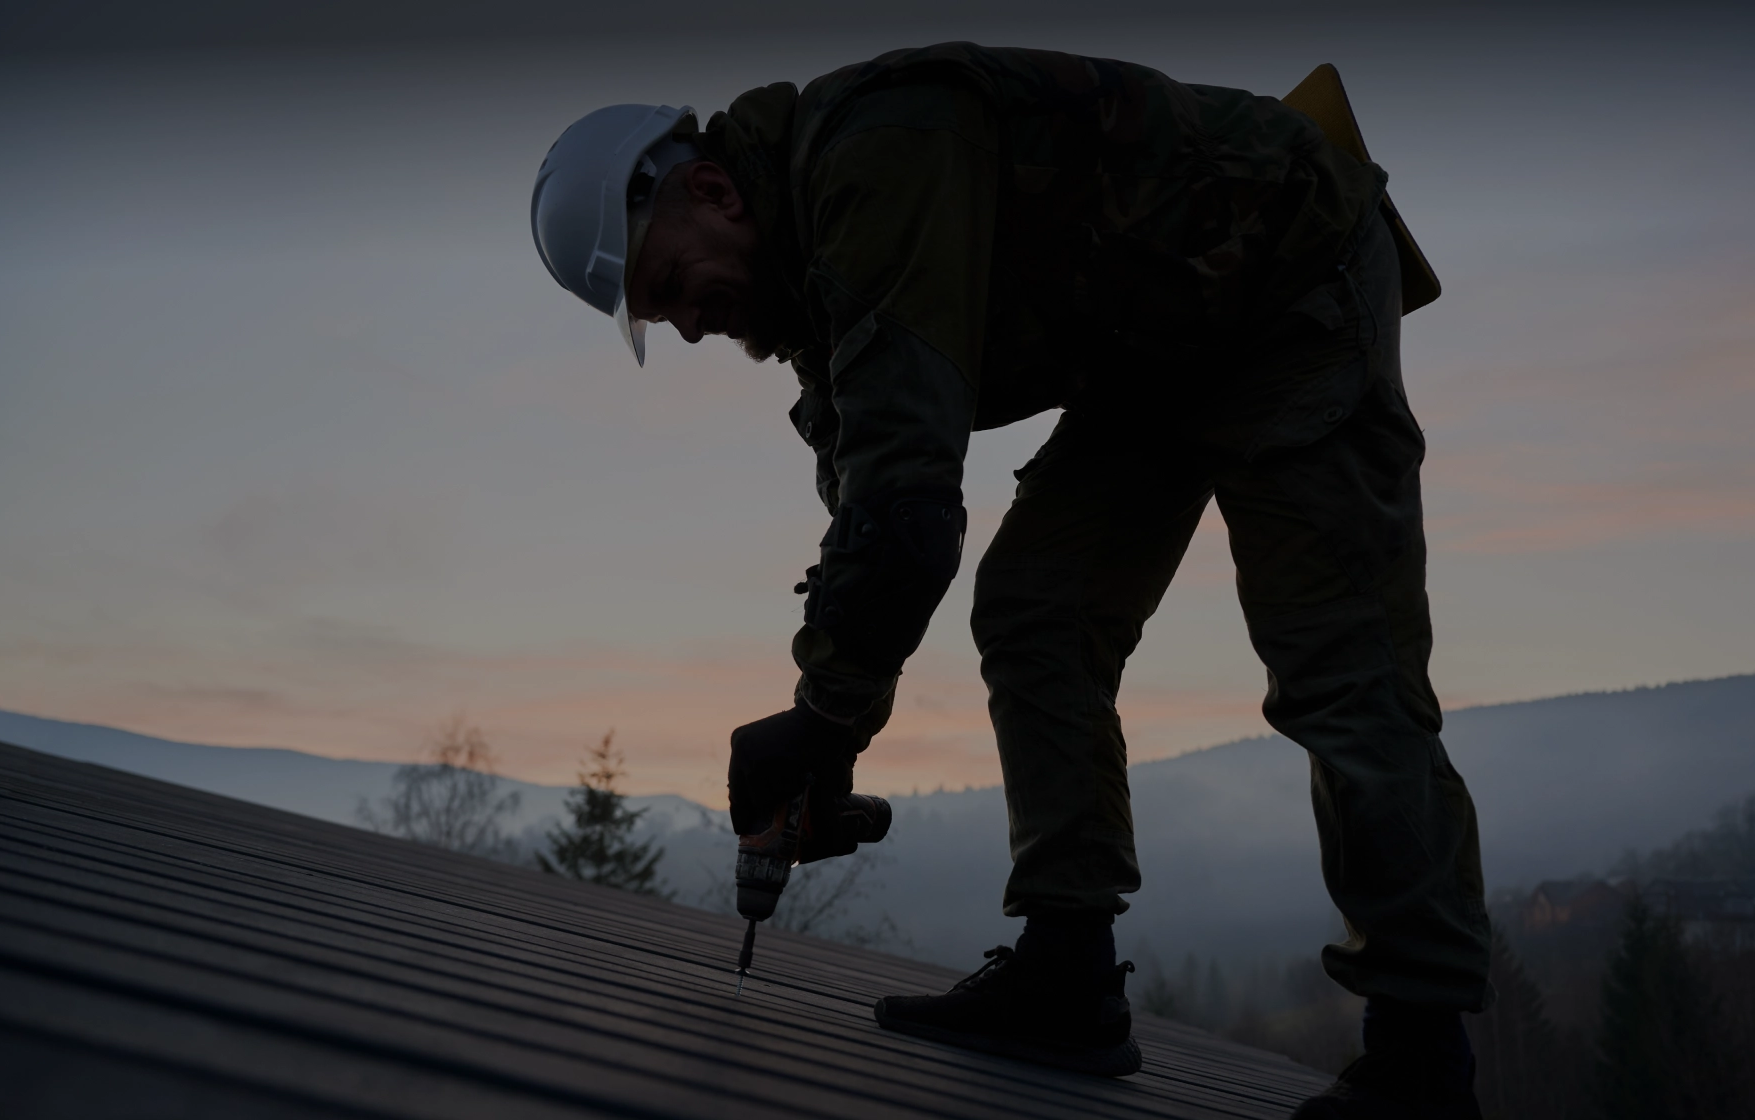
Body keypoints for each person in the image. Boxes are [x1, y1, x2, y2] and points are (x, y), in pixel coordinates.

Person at [530, 43, 1491, 1117]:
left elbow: (906, 508)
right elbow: (862, 502)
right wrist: (832, 729)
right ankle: (1067, 969)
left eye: (669, 287)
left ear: (711, 189)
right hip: (1159, 346)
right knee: (1037, 604)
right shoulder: (812, 281)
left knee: (1336, 664)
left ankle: (1419, 1056)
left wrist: (824, 714)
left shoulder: (878, 154)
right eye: (663, 320)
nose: (693, 324)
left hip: (1289, 274)